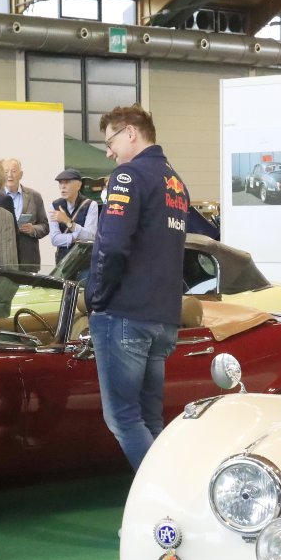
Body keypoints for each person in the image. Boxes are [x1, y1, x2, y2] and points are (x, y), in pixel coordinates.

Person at [86, 104, 189, 470]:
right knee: (149, 418)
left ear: (130, 132)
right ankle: (170, 499)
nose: (109, 153)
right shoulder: (175, 182)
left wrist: (96, 297)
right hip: (163, 316)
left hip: (126, 313)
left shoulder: (128, 176)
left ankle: (163, 497)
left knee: (124, 419)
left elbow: (112, 246)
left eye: (109, 142)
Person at [0, 157, 48, 272]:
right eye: (6, 171)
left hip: (28, 260)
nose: (10, 175)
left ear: (21, 175)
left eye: (14, 171)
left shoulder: (34, 196)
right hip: (3, 259)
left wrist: (33, 229)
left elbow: (45, 226)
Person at [48, 169, 99, 263]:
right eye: (60, 183)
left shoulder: (91, 205)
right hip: (63, 261)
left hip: (84, 261)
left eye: (67, 182)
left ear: (78, 185)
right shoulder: (54, 205)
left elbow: (90, 237)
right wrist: (77, 237)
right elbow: (55, 239)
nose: (63, 186)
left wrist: (68, 221)